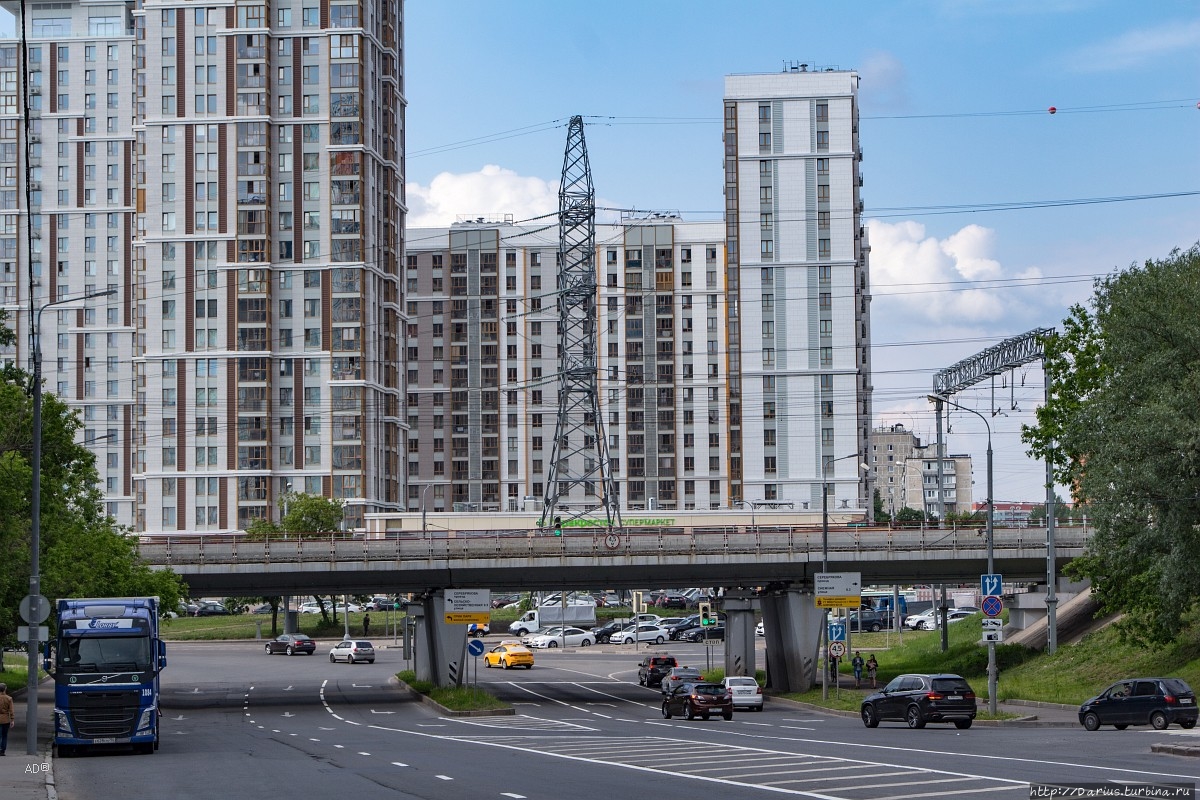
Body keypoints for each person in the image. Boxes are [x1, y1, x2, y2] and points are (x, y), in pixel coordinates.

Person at [0, 682, 13, 756]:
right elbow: (11, 710)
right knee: (4, 735)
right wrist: (12, 719)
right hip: (5, 719)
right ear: (5, 689)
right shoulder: (9, 698)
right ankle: (2, 751)